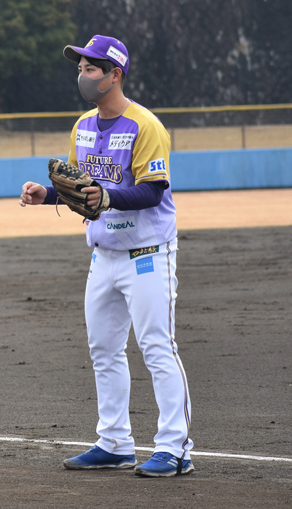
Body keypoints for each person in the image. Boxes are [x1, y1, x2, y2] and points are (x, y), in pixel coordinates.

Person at [19, 35, 193, 477]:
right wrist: (47, 197)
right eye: (80, 66)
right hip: (103, 256)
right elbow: (82, 193)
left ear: (115, 74)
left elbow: (153, 190)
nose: (83, 73)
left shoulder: (145, 126)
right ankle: (114, 442)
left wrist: (108, 197)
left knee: (157, 347)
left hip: (148, 255)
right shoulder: (81, 126)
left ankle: (175, 449)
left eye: (92, 67)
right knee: (104, 350)